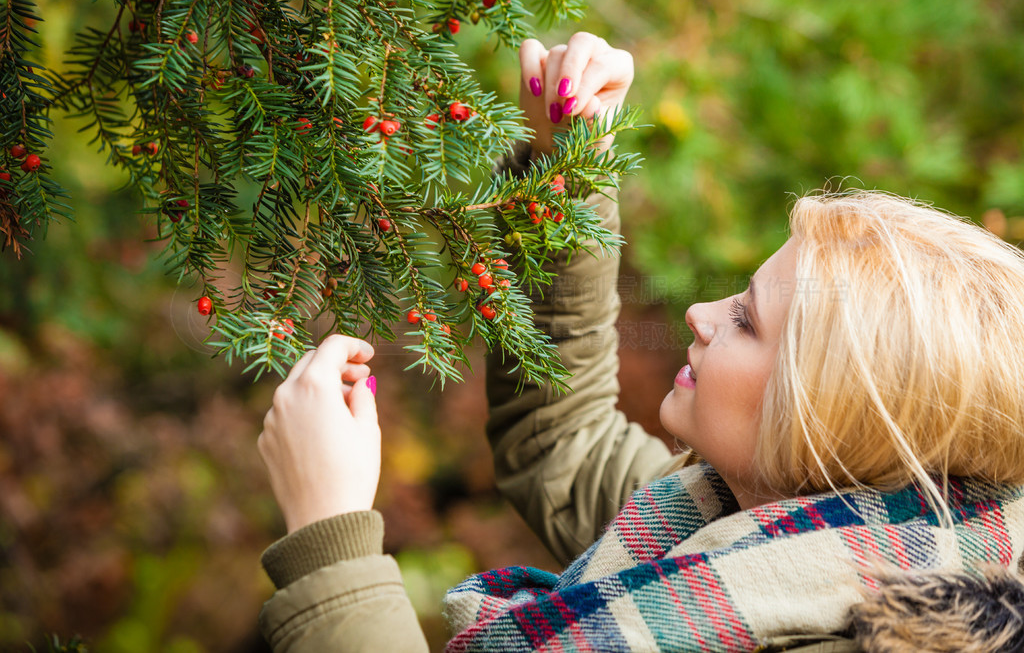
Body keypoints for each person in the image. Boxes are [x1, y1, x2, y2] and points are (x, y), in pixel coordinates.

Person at [255, 33, 1024, 652]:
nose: (698, 311)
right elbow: (561, 442)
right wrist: (570, 175)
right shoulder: (739, 520)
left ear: (824, 423)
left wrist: (331, 540)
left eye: (748, 321)